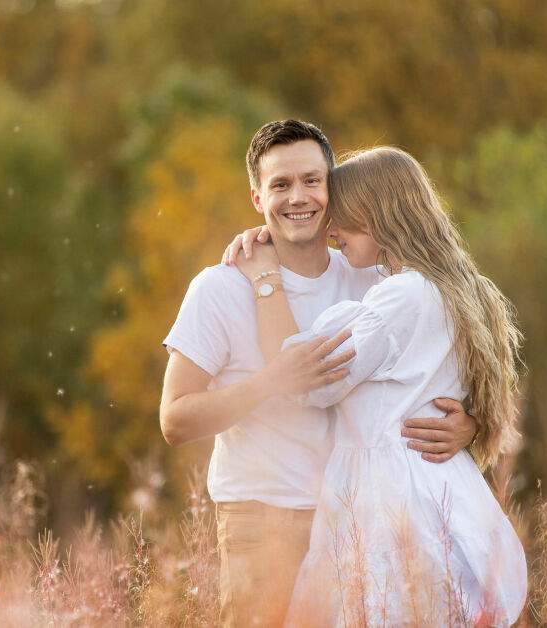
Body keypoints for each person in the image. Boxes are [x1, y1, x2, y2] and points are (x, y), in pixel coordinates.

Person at [159, 120, 479, 627]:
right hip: (264, 522)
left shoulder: (374, 275)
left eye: (312, 180)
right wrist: (271, 381)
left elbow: (442, 366)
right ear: (257, 198)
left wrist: (469, 426)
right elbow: (175, 421)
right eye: (280, 185)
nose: (298, 197)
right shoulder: (218, 288)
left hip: (364, 522)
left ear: (334, 189)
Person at [231, 147, 527, 626]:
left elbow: (307, 380)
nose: (332, 232)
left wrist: (266, 277)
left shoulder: (400, 298)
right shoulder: (449, 288)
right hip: (435, 482)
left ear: (378, 217)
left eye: (343, 220)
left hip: (391, 494)